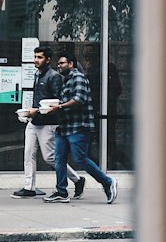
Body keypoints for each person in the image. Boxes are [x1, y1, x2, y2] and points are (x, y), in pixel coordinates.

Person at [46, 50, 118, 204]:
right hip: (64, 127)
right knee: (59, 159)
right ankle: (61, 191)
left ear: (71, 64)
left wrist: (59, 107)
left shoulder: (78, 77)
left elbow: (79, 100)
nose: (59, 66)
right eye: (58, 64)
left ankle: (107, 182)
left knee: (80, 158)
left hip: (78, 126)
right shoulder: (65, 79)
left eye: (62, 63)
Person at [13, 43, 84, 199]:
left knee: (50, 157)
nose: (36, 60)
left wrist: (37, 111)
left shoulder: (54, 76)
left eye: (39, 57)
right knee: (28, 154)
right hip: (33, 120)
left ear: (48, 59)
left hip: (48, 122)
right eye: (35, 57)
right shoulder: (37, 75)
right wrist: (29, 113)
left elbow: (57, 101)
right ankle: (29, 187)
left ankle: (77, 179)